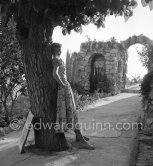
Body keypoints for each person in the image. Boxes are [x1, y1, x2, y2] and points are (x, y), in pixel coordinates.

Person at [52, 43, 94, 150]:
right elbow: (54, 74)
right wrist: (62, 84)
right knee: (71, 111)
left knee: (71, 111)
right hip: (64, 88)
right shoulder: (56, 59)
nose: (61, 51)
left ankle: (79, 136)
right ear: (57, 49)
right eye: (60, 49)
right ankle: (79, 138)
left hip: (64, 88)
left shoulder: (55, 59)